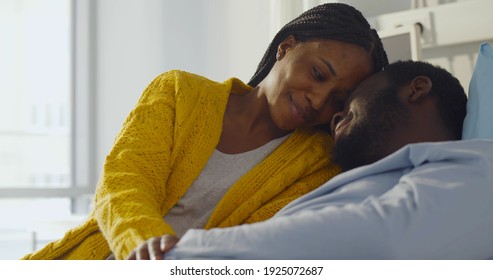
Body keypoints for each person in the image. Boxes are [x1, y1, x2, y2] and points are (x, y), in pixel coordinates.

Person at [21, 3, 388, 260]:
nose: (318, 100)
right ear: (286, 47)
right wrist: (145, 243)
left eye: (338, 99)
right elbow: (123, 183)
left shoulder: (317, 165)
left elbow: (251, 248)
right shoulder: (180, 92)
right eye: (318, 74)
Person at [134, 60, 493, 260]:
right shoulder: (356, 180)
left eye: (348, 97)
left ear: (416, 89)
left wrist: (182, 256)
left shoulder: (476, 166)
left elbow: (385, 244)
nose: (330, 113)